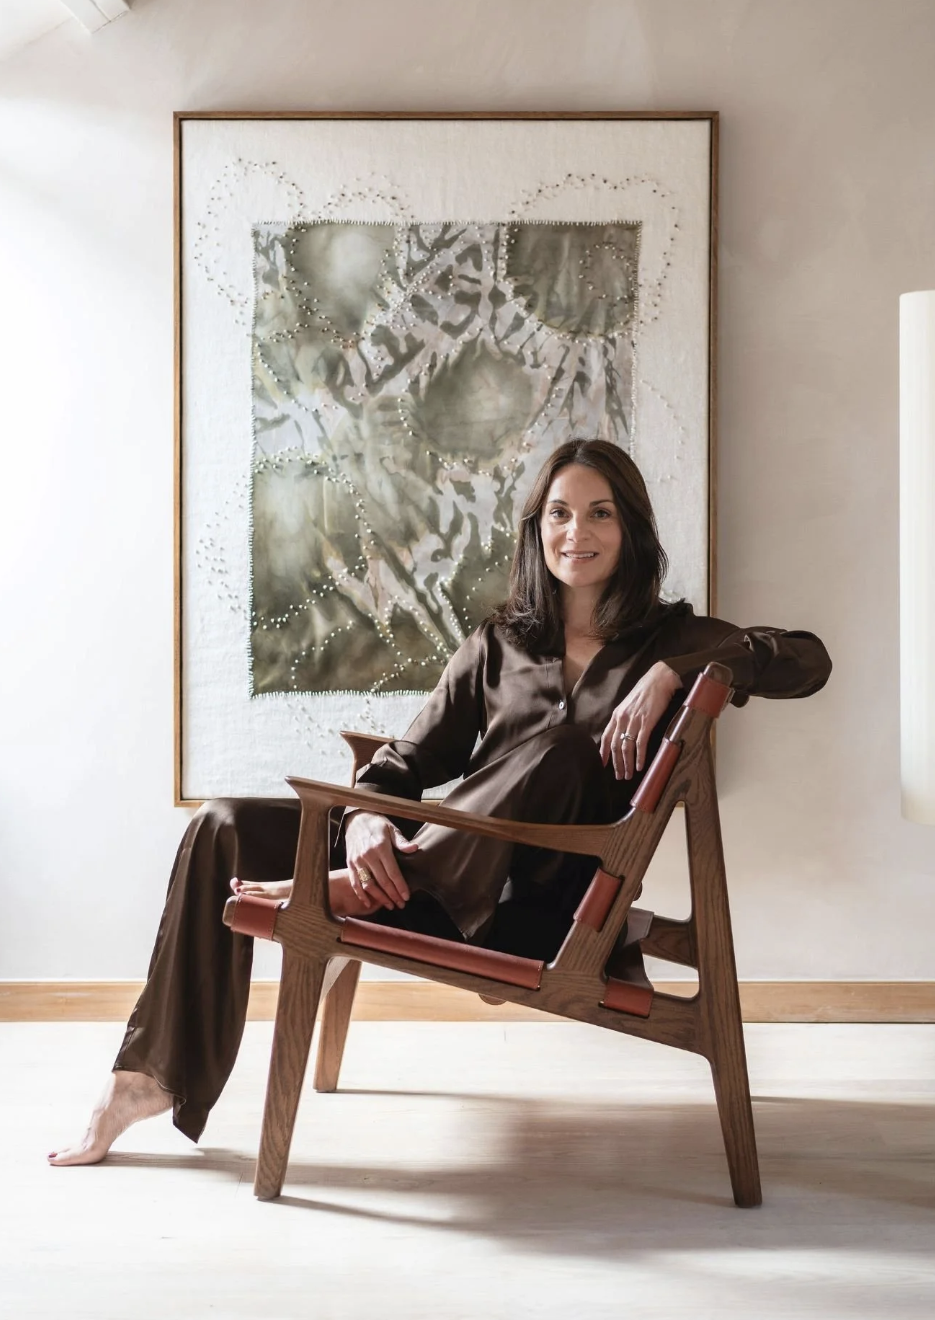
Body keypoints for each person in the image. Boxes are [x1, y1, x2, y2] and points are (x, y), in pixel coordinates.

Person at [49, 439, 831, 1166]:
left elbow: (807, 659)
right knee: (221, 824)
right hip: (432, 883)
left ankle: (365, 885)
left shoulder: (674, 641)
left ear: (630, 528)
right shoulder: (499, 644)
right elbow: (403, 765)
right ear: (537, 527)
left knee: (563, 748)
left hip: (532, 912)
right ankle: (146, 1078)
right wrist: (364, 825)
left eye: (600, 513)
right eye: (559, 512)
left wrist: (677, 671)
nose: (577, 532)